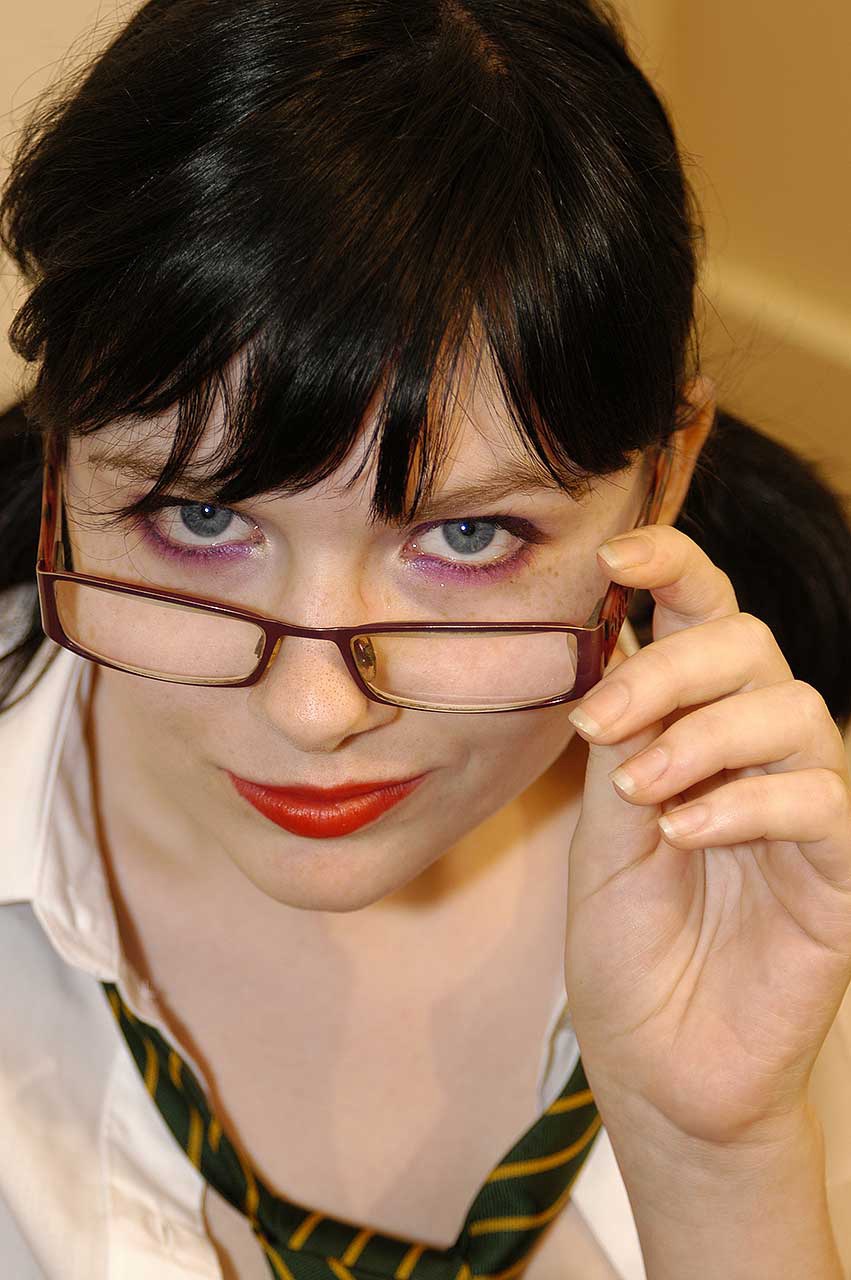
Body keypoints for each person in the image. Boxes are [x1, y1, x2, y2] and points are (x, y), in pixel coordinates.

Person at [1, 2, 850, 1277]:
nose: (314, 710)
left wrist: (718, 1160)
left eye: (465, 536)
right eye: (199, 515)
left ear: (662, 477)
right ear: (63, 454)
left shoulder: (803, 870)